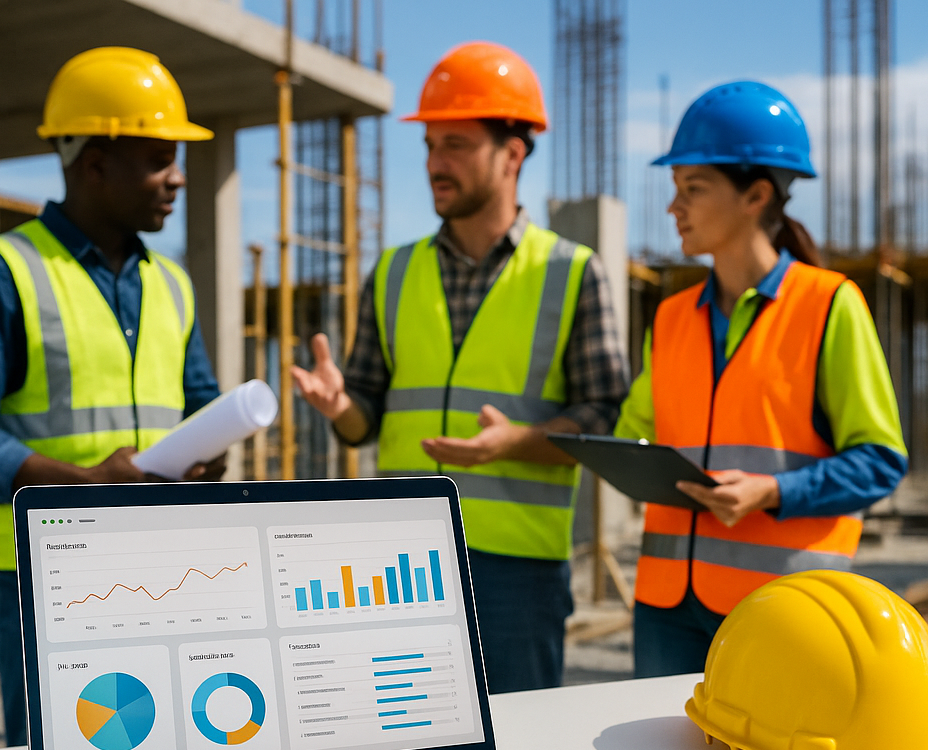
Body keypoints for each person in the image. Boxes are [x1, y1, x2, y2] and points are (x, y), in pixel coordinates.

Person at [292, 42, 628, 694]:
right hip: (397, 560)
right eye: (429, 147)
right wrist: (342, 407)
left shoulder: (572, 273)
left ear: (513, 154)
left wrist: (518, 442)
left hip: (517, 569)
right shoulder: (392, 272)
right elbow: (365, 416)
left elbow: (605, 417)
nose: (435, 165)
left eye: (456, 146)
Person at [0, 47, 226, 745]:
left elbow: (198, 404)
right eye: (159, 157)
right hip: (49, 579)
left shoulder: (172, 285)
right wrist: (82, 484)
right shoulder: (2, 275)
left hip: (168, 574)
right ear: (95, 163)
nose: (177, 178)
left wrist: (209, 453)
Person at [615, 80, 906, 678]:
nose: (675, 208)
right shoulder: (671, 318)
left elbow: (880, 459)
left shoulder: (830, 305)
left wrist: (771, 492)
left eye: (692, 189)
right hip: (666, 603)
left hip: (782, 608)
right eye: (676, 189)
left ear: (756, 195)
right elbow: (634, 436)